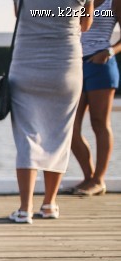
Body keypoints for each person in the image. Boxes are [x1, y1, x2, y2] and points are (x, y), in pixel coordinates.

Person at [7, 0, 94, 224]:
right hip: (65, 65)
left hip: (26, 65)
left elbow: (20, 14)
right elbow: (86, 24)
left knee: (27, 136)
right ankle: (49, 205)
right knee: (59, 134)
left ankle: (25, 208)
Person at [68, 0, 119, 196]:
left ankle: (98, 179)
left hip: (100, 65)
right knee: (70, 127)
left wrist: (108, 52)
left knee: (99, 122)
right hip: (73, 64)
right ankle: (89, 176)